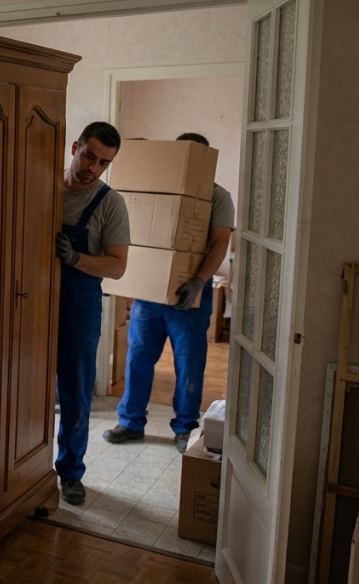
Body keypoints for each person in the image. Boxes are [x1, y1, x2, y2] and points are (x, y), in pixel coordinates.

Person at [103, 132, 236, 454]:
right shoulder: (163, 190)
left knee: (189, 365)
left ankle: (185, 426)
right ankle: (131, 422)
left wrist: (199, 281)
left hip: (189, 299)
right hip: (150, 297)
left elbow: (220, 243)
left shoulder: (217, 197)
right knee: (137, 359)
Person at [54, 121, 130, 506]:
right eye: (89, 156)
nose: (93, 168)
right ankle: (23, 466)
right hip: (31, 300)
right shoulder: (42, 185)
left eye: (103, 163)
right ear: (74, 147)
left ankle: (70, 472)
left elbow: (117, 267)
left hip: (79, 306)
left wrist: (76, 258)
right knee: (20, 386)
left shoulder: (110, 204)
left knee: (76, 391)